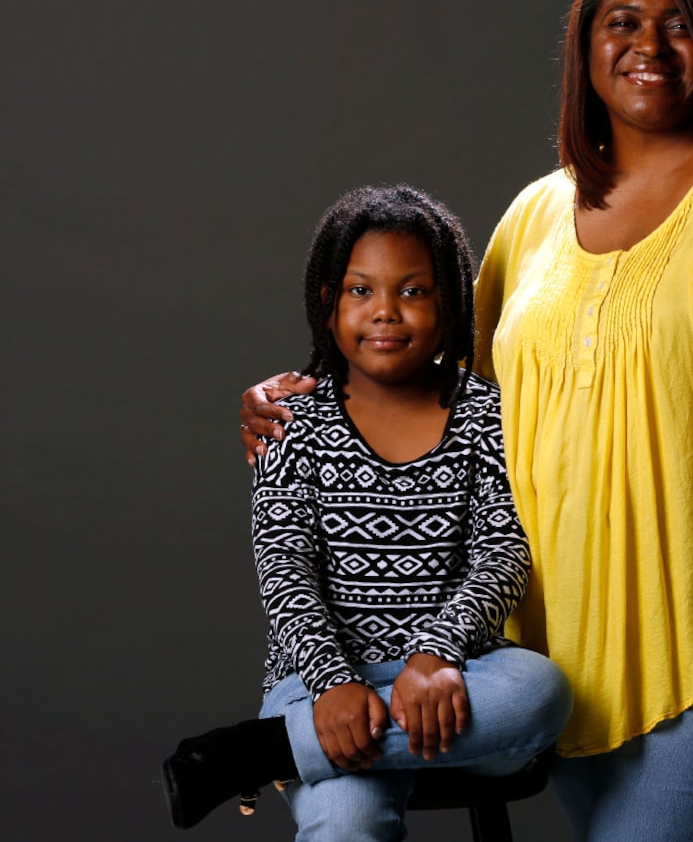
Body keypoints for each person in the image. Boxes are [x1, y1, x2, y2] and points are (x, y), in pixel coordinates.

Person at [240, 0, 693, 841]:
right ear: (587, 48)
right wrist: (291, 395)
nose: (649, 44)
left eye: (679, 25)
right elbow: (425, 383)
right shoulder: (534, 216)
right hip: (572, 641)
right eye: (623, 22)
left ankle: (264, 752)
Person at [165, 185, 571, 841]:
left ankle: (266, 752)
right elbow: (284, 568)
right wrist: (331, 685)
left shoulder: (486, 417)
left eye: (412, 291)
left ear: (449, 304)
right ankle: (314, 734)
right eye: (360, 291)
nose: (385, 312)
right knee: (345, 819)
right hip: (317, 683)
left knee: (540, 692)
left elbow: (500, 552)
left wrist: (436, 655)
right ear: (327, 303)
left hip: (457, 680)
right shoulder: (290, 424)